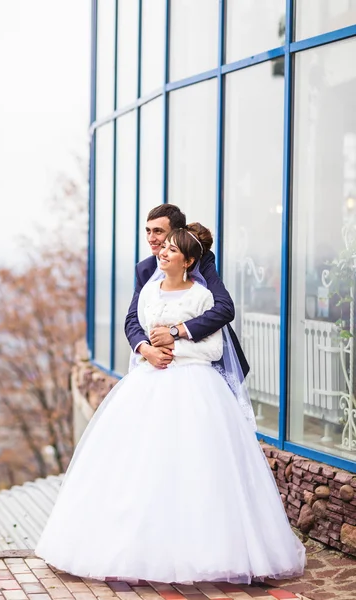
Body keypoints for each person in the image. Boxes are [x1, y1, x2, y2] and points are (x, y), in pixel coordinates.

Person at [35, 223, 305, 584]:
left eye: (169, 246)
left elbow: (214, 347)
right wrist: (148, 349)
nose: (159, 249)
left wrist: (175, 345)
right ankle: (133, 549)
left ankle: (201, 553)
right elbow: (135, 324)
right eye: (158, 243)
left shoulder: (202, 294)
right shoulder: (149, 289)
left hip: (196, 389)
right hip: (148, 383)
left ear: (189, 259)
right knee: (139, 463)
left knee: (196, 467)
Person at [125, 204, 249, 377]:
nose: (151, 238)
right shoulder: (144, 269)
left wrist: (174, 333)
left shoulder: (200, 261)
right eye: (148, 231)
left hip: (200, 366)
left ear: (177, 233)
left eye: (158, 231)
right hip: (154, 365)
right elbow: (132, 319)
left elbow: (225, 309)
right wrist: (146, 350)